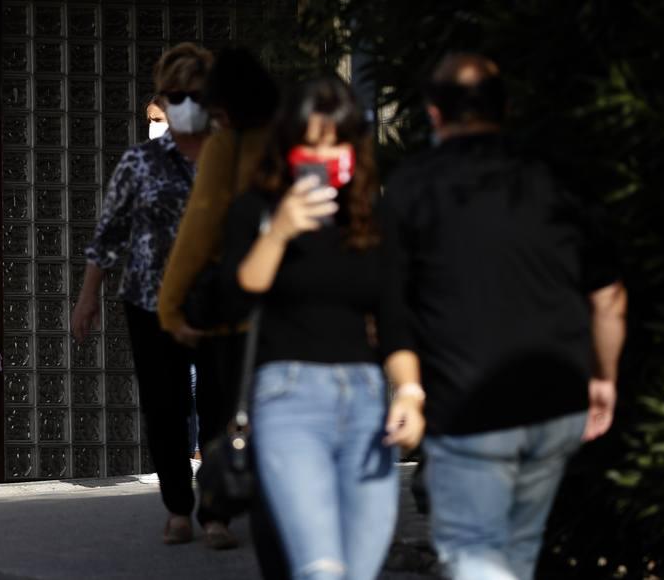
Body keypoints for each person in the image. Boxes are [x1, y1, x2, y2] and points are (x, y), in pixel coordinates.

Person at [384, 54, 628, 580]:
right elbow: (608, 297)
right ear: (506, 108)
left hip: (466, 401)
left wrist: (407, 389)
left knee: (475, 554)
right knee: (518, 550)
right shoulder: (554, 178)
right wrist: (603, 376)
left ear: (433, 114)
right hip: (557, 398)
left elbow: (391, 303)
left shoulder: (411, 187)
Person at [228, 76, 425, 580]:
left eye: (335, 141)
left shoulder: (372, 216)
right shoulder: (256, 209)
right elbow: (235, 294)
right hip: (287, 399)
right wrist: (280, 232)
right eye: (309, 142)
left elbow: (394, 318)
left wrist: (409, 393)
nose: (323, 154)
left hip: (364, 401)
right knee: (321, 570)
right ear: (287, 145)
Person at [71, 42, 225, 546]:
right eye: (173, 95)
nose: (182, 104)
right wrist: (88, 296)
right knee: (166, 404)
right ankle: (179, 508)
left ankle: (218, 512)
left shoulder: (232, 154)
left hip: (217, 300)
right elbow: (109, 231)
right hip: (149, 300)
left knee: (220, 405)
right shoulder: (141, 161)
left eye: (193, 93)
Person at [157, 47, 288, 571]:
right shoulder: (296, 141)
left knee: (232, 421)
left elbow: (199, 233)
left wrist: (170, 306)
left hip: (241, 317)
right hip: (303, 314)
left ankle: (234, 518)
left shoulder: (226, 147)